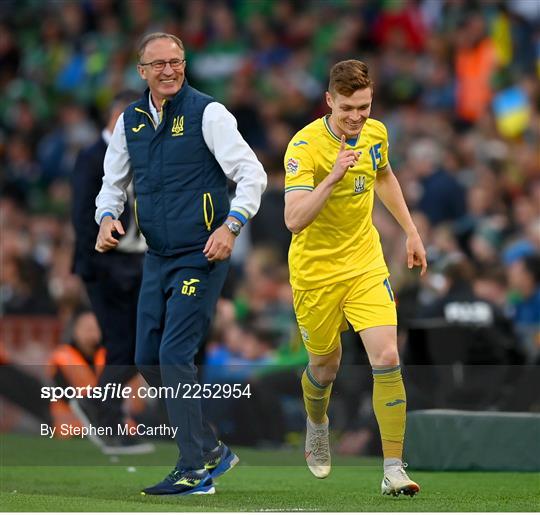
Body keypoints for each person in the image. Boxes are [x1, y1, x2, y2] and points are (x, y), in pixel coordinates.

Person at [95, 33, 266, 496]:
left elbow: (252, 173)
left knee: (174, 354)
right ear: (141, 71)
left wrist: (230, 226)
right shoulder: (128, 121)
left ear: (185, 65)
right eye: (159, 64)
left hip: (201, 254)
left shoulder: (208, 112)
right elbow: (112, 184)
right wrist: (107, 217)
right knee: (146, 358)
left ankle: (194, 469)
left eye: (176, 62)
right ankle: (209, 448)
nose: (169, 70)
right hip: (157, 255)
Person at [283, 60, 427, 497]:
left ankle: (393, 469)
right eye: (347, 107)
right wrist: (332, 178)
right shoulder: (304, 147)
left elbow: (383, 175)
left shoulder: (376, 133)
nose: (356, 116)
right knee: (325, 368)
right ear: (329, 101)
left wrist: (410, 230)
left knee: (386, 357)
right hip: (316, 275)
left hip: (365, 264)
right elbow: (293, 219)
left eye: (363, 106)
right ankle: (317, 422)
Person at [71, 90, 153, 455]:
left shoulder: (139, 155)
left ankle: (103, 413)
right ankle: (104, 416)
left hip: (135, 264)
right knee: (127, 346)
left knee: (135, 346)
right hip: (106, 268)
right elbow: (83, 222)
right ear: (116, 118)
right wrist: (110, 267)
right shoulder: (91, 159)